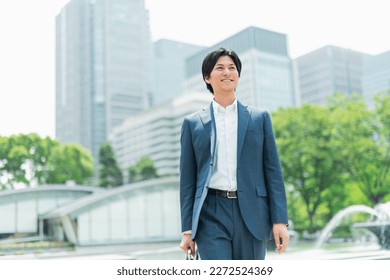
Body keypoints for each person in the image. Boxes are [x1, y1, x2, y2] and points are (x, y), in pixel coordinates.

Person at [179, 47, 289, 260]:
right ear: (207, 77)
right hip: (210, 212)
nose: (227, 72)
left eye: (232, 68)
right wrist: (187, 230)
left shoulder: (260, 118)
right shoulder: (192, 124)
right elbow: (187, 181)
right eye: (220, 68)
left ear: (238, 76)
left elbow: (273, 172)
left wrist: (280, 221)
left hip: (252, 211)